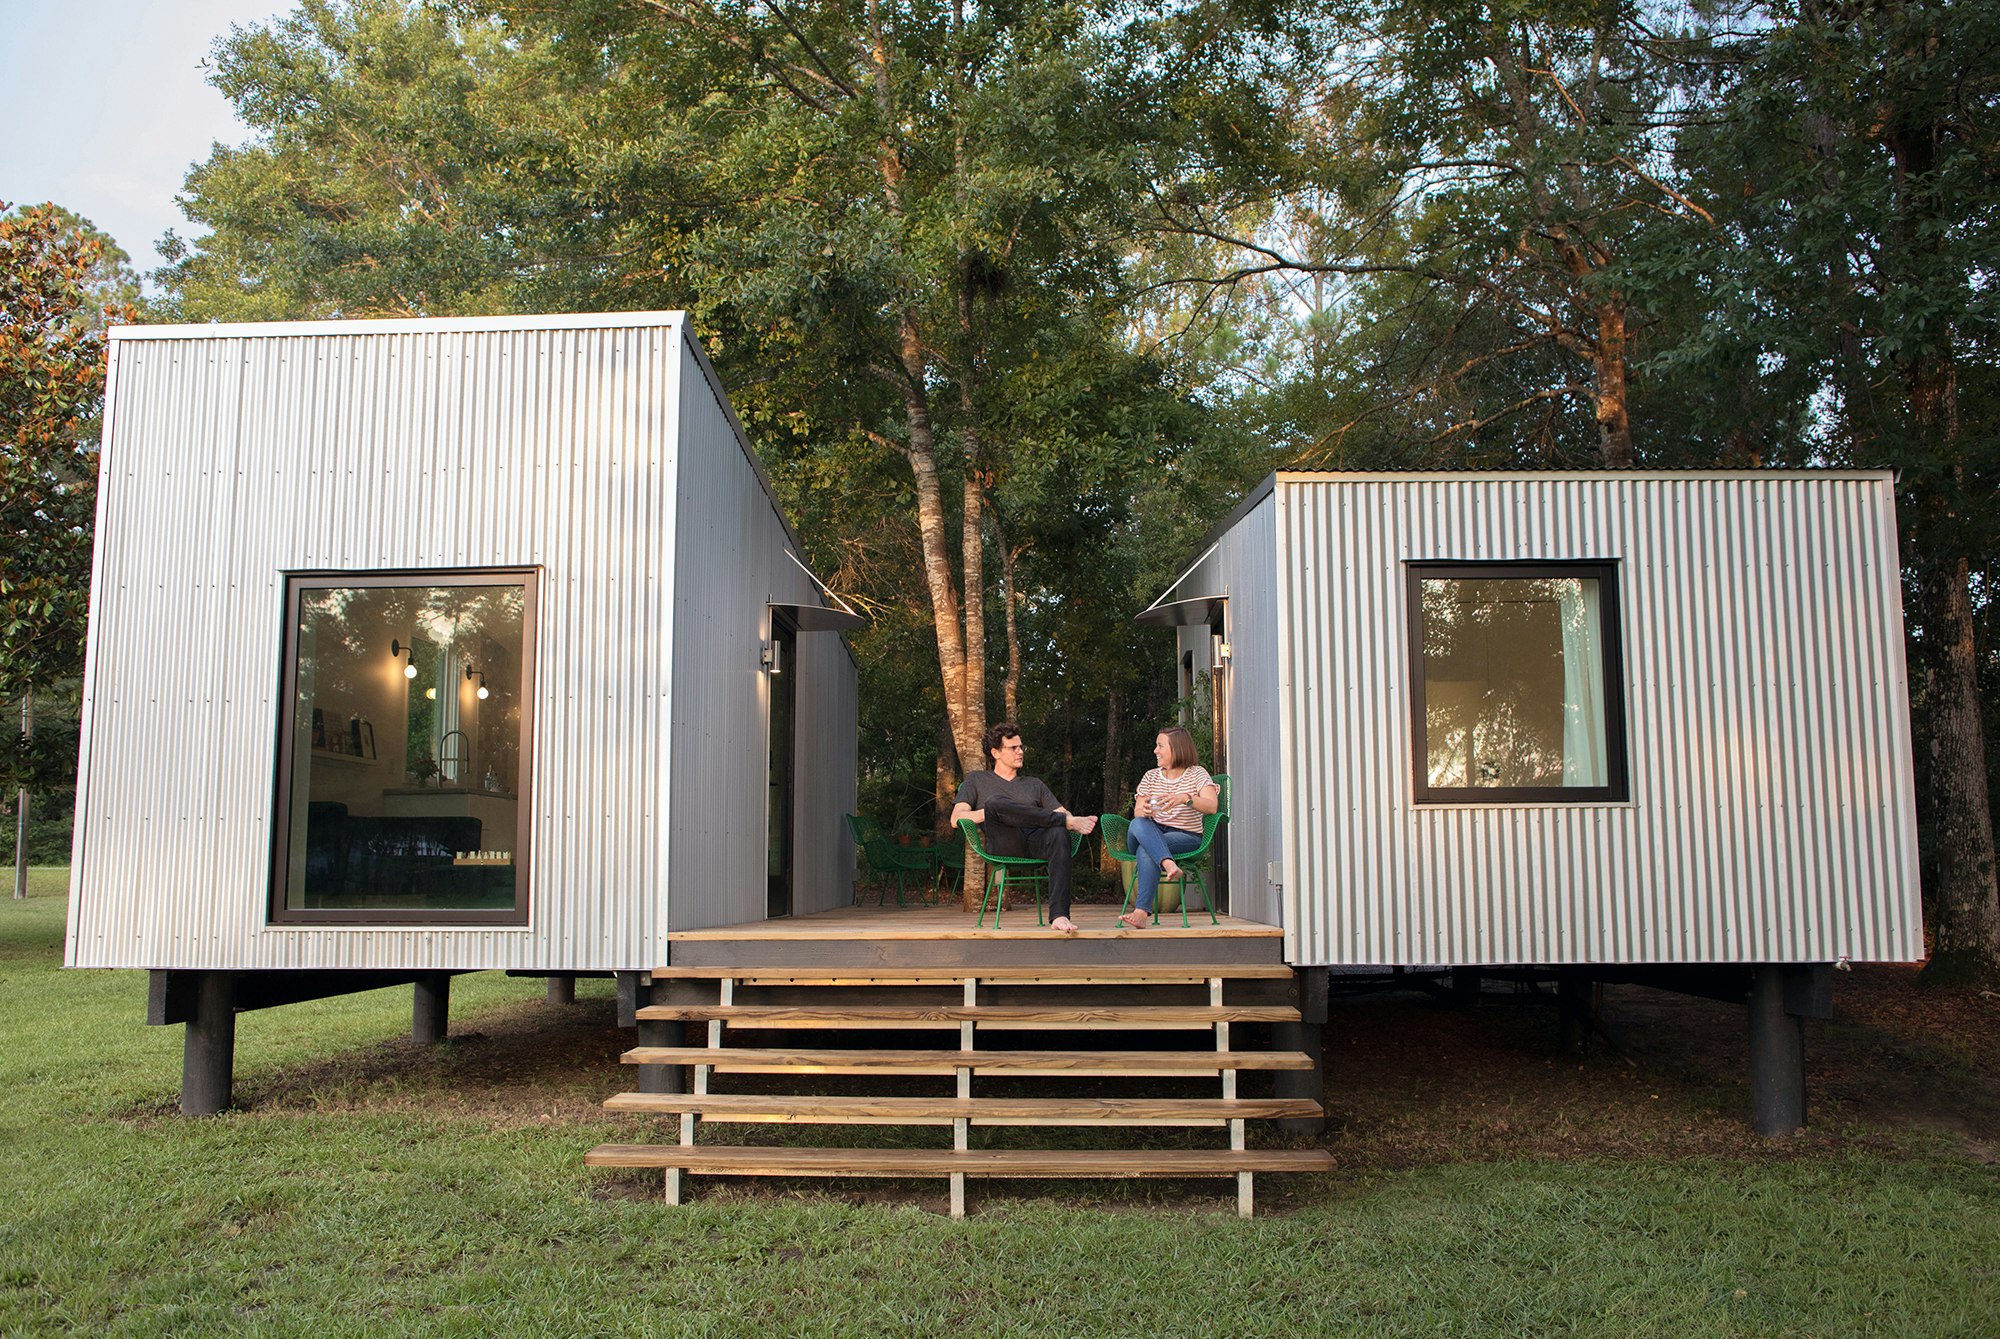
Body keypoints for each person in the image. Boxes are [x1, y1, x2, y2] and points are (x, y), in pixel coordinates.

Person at [950, 721, 1098, 934]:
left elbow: (1064, 814)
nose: (1020, 752)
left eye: (1021, 747)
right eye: (1014, 748)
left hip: (1035, 841)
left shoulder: (1034, 784)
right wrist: (998, 812)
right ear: (995, 752)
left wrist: (1063, 819)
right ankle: (1002, 808)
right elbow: (956, 819)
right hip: (1003, 840)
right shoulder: (977, 779)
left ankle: (1059, 915)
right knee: (994, 802)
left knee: (1059, 830)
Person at [1119, 726, 1219, 930]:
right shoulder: (1151, 776)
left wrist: (1186, 798)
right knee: (1138, 822)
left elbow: (1212, 806)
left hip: (1185, 837)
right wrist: (1144, 810)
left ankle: (1141, 912)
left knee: (1145, 848)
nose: (1155, 750)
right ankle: (1168, 863)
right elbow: (1138, 811)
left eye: (1160, 746)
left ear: (1177, 748)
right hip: (1149, 829)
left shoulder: (1197, 774)